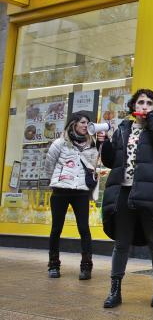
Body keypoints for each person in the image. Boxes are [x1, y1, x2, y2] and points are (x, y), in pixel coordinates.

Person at [100, 89, 153, 308]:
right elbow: (110, 161)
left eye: (149, 103)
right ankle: (114, 291)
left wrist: (151, 120)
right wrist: (104, 142)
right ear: (133, 107)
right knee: (121, 243)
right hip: (124, 192)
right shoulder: (123, 129)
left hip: (150, 193)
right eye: (140, 102)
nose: (144, 106)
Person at [46, 111, 100, 280]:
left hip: (81, 192)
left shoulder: (92, 144)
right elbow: (49, 164)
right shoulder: (60, 143)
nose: (86, 125)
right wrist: (58, 180)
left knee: (84, 229)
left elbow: (96, 164)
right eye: (83, 122)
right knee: (56, 229)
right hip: (60, 191)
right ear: (74, 124)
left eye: (87, 123)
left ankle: (86, 266)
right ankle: (53, 264)